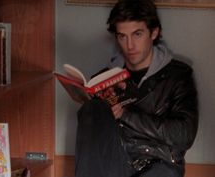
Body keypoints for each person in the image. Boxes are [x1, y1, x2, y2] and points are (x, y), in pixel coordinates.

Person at [75, 0, 198, 177]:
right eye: (122, 36)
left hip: (159, 163)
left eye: (137, 34)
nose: (129, 45)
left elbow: (184, 135)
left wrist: (125, 115)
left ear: (154, 32)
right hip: (115, 162)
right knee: (91, 109)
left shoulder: (178, 76)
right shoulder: (104, 80)